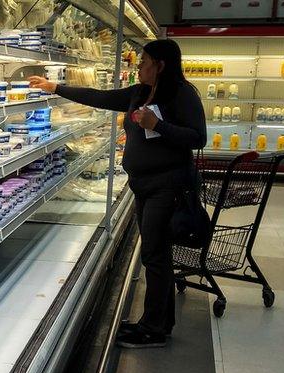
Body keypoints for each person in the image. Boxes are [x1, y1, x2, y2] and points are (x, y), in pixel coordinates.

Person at [30, 39, 206, 348]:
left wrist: (158, 125)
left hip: (168, 185)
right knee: (157, 253)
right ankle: (160, 322)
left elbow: (197, 138)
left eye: (144, 61)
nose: (139, 66)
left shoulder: (181, 94)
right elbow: (100, 97)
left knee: (154, 253)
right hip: (143, 184)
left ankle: (152, 328)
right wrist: (55, 88)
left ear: (161, 65)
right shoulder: (139, 93)